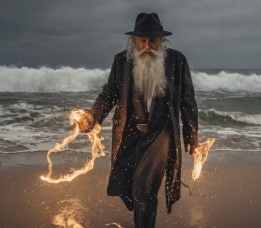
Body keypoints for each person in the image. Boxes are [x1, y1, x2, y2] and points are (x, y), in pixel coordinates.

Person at [78, 12, 198, 228]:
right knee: (132, 189)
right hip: (130, 133)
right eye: (142, 40)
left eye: (153, 40)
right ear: (134, 40)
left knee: (143, 188)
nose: (147, 45)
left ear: (162, 40)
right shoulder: (121, 60)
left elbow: (187, 100)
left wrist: (191, 133)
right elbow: (110, 93)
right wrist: (93, 115)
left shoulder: (177, 61)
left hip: (161, 133)